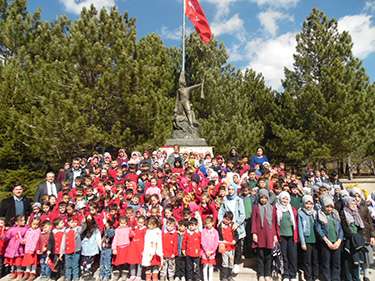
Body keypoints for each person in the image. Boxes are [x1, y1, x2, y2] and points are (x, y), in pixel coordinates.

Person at [218, 185, 246, 274]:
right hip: (227, 225)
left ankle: (236, 264)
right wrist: (221, 221)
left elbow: (242, 214)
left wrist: (237, 223)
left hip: (236, 226)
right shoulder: (225, 200)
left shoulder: (239, 200)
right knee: (228, 246)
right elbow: (221, 212)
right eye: (229, 189)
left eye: (232, 189)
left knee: (237, 246)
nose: (230, 191)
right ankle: (227, 266)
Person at [251, 189, 276, 281]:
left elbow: (274, 222)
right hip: (259, 234)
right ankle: (261, 274)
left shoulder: (272, 208)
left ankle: (267, 274)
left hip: (269, 234)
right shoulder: (256, 207)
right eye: (262, 198)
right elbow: (253, 221)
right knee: (260, 255)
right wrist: (254, 233)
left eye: (265, 198)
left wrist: (274, 235)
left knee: (269, 255)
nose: (263, 200)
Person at [316, 196, 343, 281]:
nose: (329, 209)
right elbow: (318, 229)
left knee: (336, 263)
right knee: (326, 263)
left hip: (336, 243)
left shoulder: (335, 215)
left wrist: (339, 241)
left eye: (331, 206)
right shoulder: (320, 215)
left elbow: (340, 229)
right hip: (326, 243)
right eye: (327, 206)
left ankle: (336, 279)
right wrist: (327, 242)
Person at [275, 191, 298, 281]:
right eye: (283, 198)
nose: (285, 200)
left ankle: (293, 274)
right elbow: (274, 223)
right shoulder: (276, 209)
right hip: (282, 236)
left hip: (292, 236)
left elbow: (296, 223)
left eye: (287, 198)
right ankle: (285, 274)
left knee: (292, 256)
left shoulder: (293, 209)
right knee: (283, 256)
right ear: (280, 199)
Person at [298, 195, 319, 281]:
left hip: (316, 240)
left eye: (310, 203)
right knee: (307, 261)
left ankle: (316, 276)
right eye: (307, 203)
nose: (309, 206)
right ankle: (308, 277)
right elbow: (300, 228)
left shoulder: (315, 213)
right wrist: (302, 242)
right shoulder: (301, 213)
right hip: (307, 240)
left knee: (315, 260)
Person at [4, 215, 28, 280]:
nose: (24, 221)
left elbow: (26, 237)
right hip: (12, 248)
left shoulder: (26, 229)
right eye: (22, 220)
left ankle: (20, 273)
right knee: (13, 262)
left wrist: (22, 240)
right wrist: (3, 235)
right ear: (16, 222)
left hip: (19, 248)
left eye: (24, 220)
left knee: (18, 262)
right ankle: (15, 273)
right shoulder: (12, 229)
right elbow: (7, 237)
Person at [142, 216, 163, 281]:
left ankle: (155, 276)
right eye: (148, 224)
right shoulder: (147, 231)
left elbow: (159, 241)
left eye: (150, 225)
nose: (149, 226)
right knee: (148, 263)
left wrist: (157, 250)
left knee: (155, 264)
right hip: (148, 250)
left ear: (155, 225)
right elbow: (145, 240)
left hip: (155, 250)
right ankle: (148, 276)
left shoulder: (158, 231)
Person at [218, 211, 237, 281]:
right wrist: (221, 241)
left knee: (231, 262)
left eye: (228, 220)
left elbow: (236, 235)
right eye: (225, 219)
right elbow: (219, 237)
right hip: (224, 247)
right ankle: (224, 277)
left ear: (231, 220)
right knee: (225, 262)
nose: (226, 221)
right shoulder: (220, 226)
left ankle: (230, 276)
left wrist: (235, 240)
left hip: (231, 247)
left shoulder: (232, 226)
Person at [201, 216, 219, 281]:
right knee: (205, 266)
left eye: (209, 223)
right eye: (206, 223)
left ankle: (210, 279)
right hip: (205, 252)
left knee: (211, 266)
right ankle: (205, 279)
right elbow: (202, 241)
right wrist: (206, 251)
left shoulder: (215, 232)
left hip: (212, 253)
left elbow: (216, 242)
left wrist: (212, 251)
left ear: (212, 223)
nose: (208, 225)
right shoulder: (203, 231)